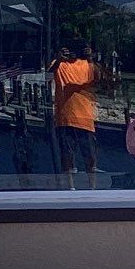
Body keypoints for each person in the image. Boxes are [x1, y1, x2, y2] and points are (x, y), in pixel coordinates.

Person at [49, 43, 102, 189]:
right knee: (67, 157)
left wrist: (90, 58)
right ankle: (70, 189)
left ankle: (93, 189)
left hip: (86, 118)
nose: (73, 52)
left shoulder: (87, 64)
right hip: (65, 119)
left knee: (90, 158)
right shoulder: (60, 64)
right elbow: (48, 73)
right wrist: (59, 59)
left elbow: (99, 77)